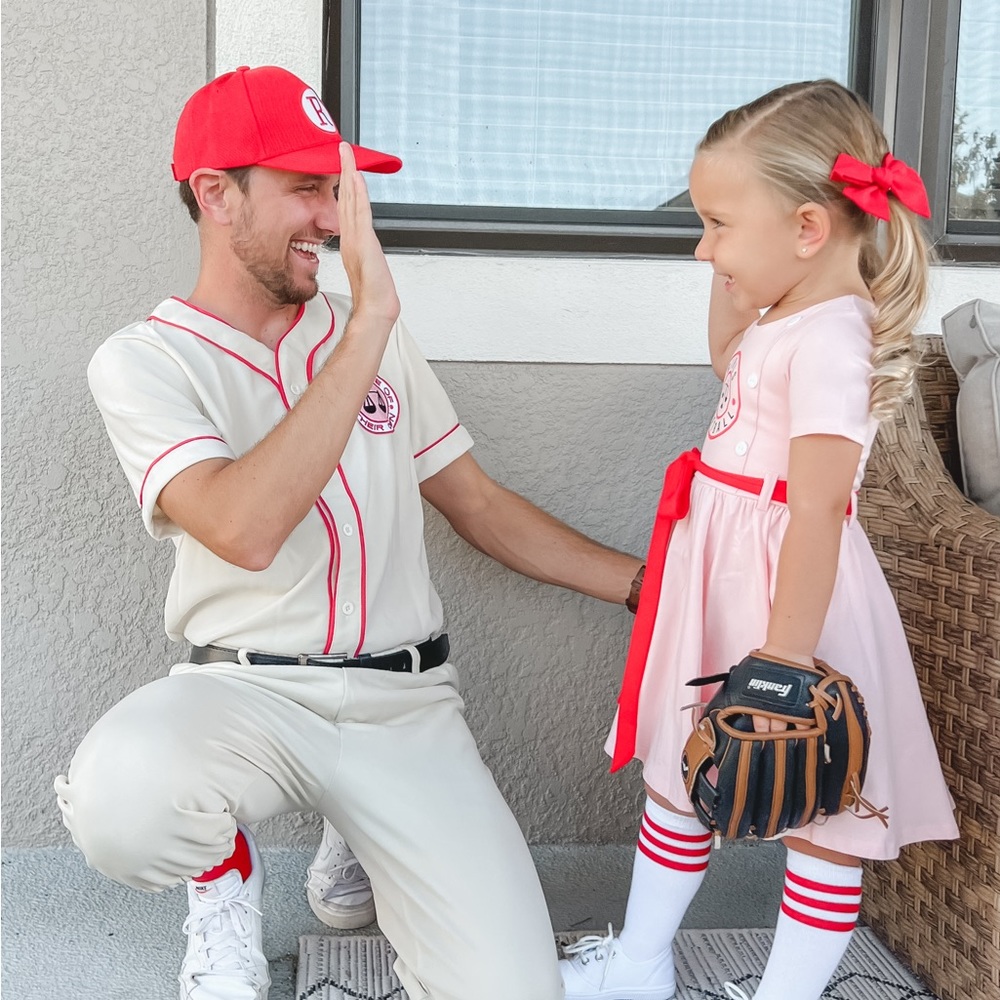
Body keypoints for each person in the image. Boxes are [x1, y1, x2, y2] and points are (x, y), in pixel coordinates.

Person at [53, 65, 644, 1000]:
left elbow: (477, 504)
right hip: (247, 696)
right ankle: (224, 882)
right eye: (304, 188)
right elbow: (244, 529)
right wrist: (367, 324)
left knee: (513, 991)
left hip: (406, 709)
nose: (333, 218)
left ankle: (358, 838)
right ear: (217, 195)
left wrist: (646, 587)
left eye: (336, 188)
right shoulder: (143, 360)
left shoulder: (369, 334)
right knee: (122, 803)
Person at [559, 79, 959, 1000]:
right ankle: (639, 966)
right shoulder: (786, 317)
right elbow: (727, 361)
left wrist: (784, 660)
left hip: (789, 601)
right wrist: (734, 263)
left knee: (820, 810)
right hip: (719, 574)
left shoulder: (832, 338)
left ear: (810, 229)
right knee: (684, 772)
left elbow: (817, 509)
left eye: (718, 225)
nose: (703, 246)